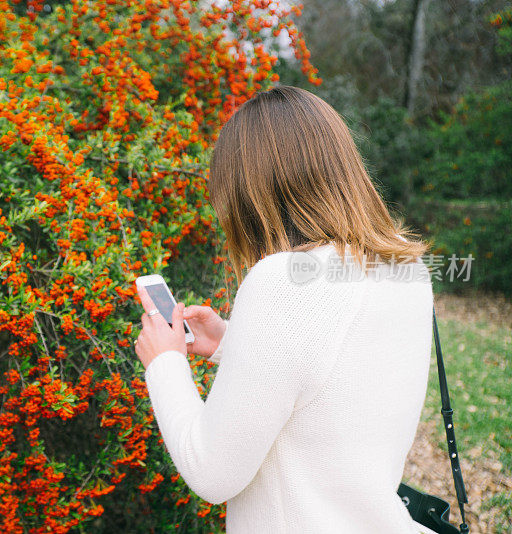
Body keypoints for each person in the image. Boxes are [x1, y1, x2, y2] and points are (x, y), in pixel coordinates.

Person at [133, 85, 439, 534]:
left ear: (249, 195)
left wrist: (165, 364)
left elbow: (212, 472)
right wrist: (230, 343)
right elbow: (337, 381)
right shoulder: (408, 271)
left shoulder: (283, 280)